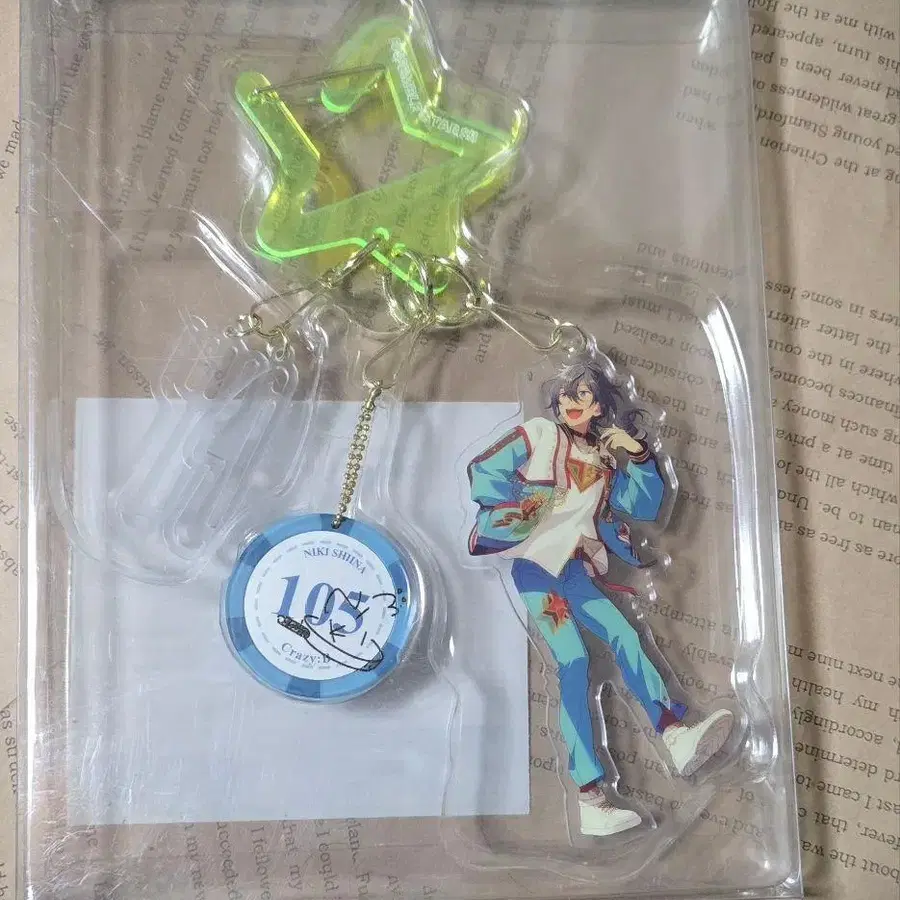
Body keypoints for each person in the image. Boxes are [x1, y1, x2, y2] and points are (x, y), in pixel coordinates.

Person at [467, 360, 734, 836]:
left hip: (574, 571)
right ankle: (590, 795)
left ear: (599, 406)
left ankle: (675, 734)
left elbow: (644, 506)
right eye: (565, 394)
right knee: (572, 661)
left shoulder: (604, 460)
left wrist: (641, 455)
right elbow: (485, 470)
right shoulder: (539, 435)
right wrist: (523, 507)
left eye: (583, 396)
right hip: (536, 570)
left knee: (625, 636)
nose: (570, 402)